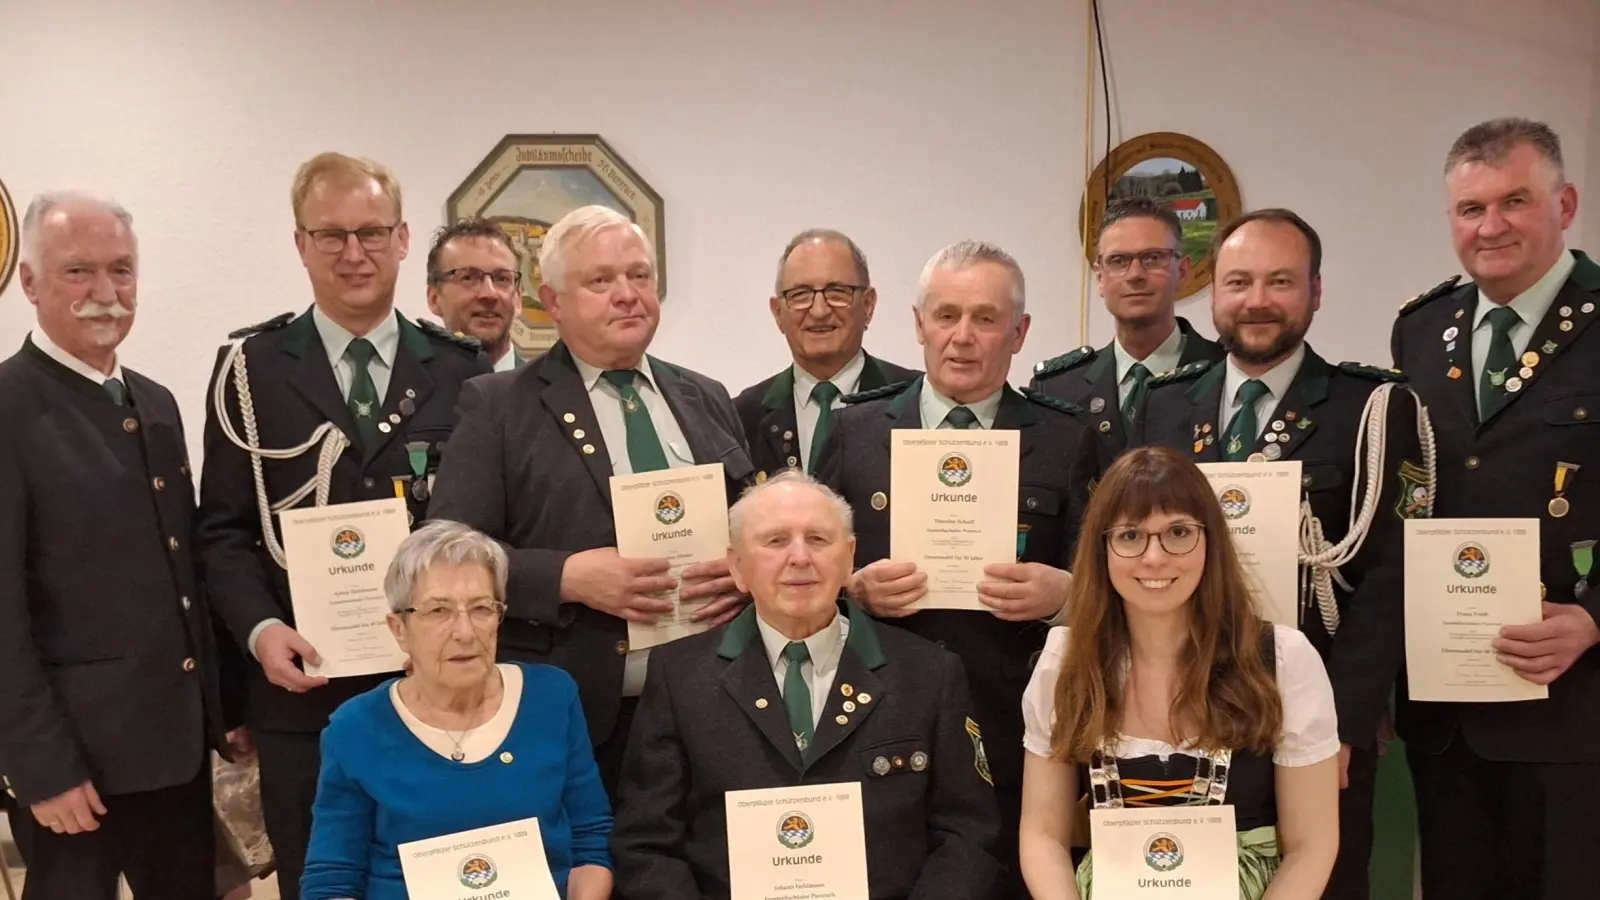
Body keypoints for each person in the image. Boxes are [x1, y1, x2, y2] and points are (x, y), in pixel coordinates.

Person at [196, 152, 492, 900]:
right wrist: (261, 632)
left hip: (438, 685)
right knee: (319, 881)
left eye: (369, 233)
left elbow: (488, 526)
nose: (352, 254)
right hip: (304, 693)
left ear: (401, 238)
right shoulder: (248, 372)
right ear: (300, 244)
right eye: (330, 235)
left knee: (449, 877)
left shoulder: (463, 371)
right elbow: (224, 532)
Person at [1112, 208, 1425, 898]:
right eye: (1239, 281)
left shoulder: (1369, 408)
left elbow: (1389, 580)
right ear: (1212, 293)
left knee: (1322, 880)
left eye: (1280, 281)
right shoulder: (1162, 408)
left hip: (1313, 715)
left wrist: (1342, 722)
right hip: (1178, 713)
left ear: (1315, 291)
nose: (1256, 301)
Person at [427, 204, 755, 796]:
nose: (628, 295)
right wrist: (564, 577)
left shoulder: (706, 396)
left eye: (640, 276)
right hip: (580, 716)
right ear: (552, 302)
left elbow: (751, 527)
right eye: (601, 281)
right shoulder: (499, 406)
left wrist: (747, 570)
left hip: (718, 705)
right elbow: (444, 555)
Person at [814, 239, 1087, 897]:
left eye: (986, 319)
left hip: (1019, 724)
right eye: (946, 316)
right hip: (882, 721)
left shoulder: (1067, 437)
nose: (962, 338)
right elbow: (804, 567)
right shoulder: (855, 430)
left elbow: (1117, 578)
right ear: (917, 324)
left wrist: (1068, 596)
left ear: (1018, 333)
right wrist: (849, 591)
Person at [0, 191, 238, 898]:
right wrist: (40, 767)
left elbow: (181, 570)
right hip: (77, 768)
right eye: (79, 272)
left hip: (176, 751)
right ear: (32, 283)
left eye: (122, 270)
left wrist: (225, 713)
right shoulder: (7, 408)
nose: (106, 293)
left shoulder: (154, 401)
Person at [612, 472, 1002, 900]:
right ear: (737, 566)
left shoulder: (929, 673)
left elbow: (967, 835)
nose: (799, 557)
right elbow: (646, 846)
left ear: (849, 557)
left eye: (818, 539)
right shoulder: (679, 676)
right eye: (775, 541)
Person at [1389, 117, 1600, 899]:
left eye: (1515, 200)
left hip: (1574, 706)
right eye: (1470, 209)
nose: (1492, 226)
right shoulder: (1421, 329)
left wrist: (1595, 616)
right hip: (1448, 708)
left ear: (1566, 202)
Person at [1018, 446, 1340, 899]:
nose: (1154, 557)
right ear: (1102, 549)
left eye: (1178, 532)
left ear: (1211, 542)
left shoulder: (1283, 660)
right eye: (1131, 536)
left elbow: (1313, 844)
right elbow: (1042, 835)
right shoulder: (1066, 661)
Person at [301, 520, 612, 900]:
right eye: (438, 611)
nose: (465, 632)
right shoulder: (355, 728)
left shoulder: (551, 697)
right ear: (399, 628)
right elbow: (332, 880)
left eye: (481, 608)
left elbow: (590, 840)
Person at [1030, 198, 1224, 454]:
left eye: (1153, 258)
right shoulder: (1056, 389)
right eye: (1119, 261)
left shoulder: (1224, 374)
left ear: (1183, 272)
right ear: (1100, 277)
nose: (1135, 274)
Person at [733, 229, 919, 478]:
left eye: (837, 292)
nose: (819, 311)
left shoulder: (914, 398)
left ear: (868, 305)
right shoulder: (744, 416)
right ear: (778, 313)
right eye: (800, 295)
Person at [424, 217, 526, 371]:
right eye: (468, 277)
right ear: (434, 299)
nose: (489, 293)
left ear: (518, 299)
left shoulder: (557, 393)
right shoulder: (409, 391)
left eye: (502, 278)